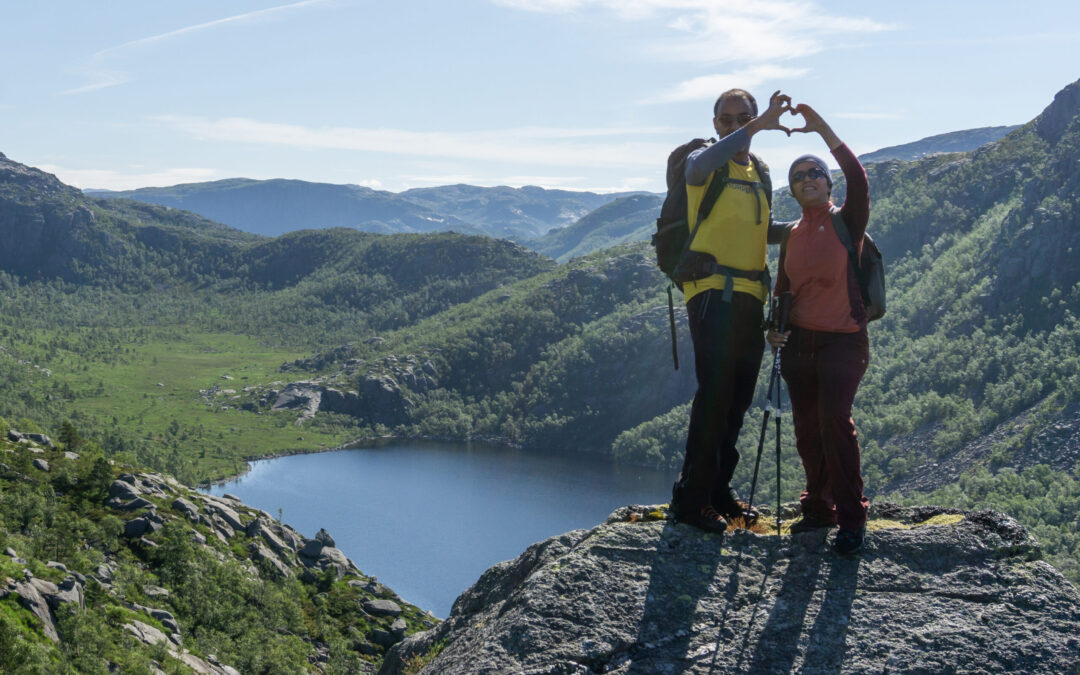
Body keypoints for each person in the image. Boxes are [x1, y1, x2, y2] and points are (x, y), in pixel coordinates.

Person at [670, 89, 792, 533]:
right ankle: (691, 499)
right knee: (716, 395)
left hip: (749, 294)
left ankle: (718, 491)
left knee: (737, 399)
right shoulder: (704, 160)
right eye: (727, 118)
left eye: (744, 117)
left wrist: (808, 226)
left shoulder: (758, 170)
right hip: (710, 290)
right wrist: (757, 126)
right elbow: (698, 169)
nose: (734, 124)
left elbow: (760, 230)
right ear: (716, 122)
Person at [766, 102, 871, 554]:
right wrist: (774, 329)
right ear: (792, 190)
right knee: (808, 429)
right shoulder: (791, 233)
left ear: (828, 183)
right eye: (799, 176)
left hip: (843, 340)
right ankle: (818, 508)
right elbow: (783, 288)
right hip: (799, 344)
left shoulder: (847, 221)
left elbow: (860, 178)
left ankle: (851, 517)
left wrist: (822, 129)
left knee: (834, 422)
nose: (807, 179)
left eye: (815, 173)